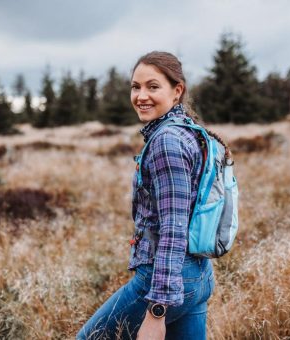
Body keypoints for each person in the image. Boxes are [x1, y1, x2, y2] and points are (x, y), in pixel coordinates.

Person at [77, 51, 215, 340]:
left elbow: (174, 228)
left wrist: (156, 313)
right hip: (199, 273)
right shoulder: (189, 131)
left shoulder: (167, 141)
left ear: (177, 91)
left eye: (153, 87)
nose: (141, 96)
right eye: (135, 87)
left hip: (166, 279)